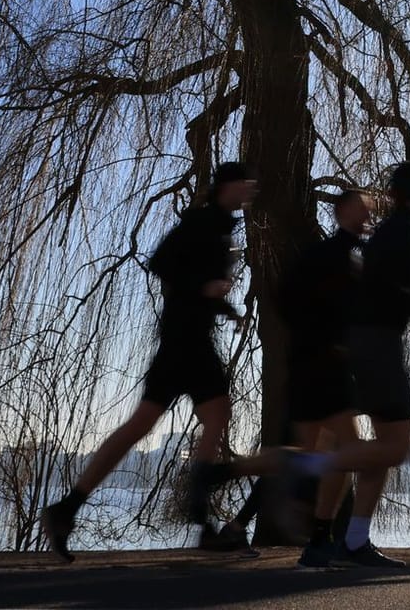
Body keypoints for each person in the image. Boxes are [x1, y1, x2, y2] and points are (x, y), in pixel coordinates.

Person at [41, 161, 262, 560]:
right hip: (185, 341)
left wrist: (225, 307)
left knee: (153, 423)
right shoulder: (202, 222)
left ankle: (67, 508)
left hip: (187, 337)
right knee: (209, 415)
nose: (249, 192)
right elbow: (161, 263)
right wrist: (205, 287)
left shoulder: (223, 226)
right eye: (245, 185)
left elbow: (196, 282)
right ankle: (202, 519)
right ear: (228, 186)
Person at [284, 160, 410, 568]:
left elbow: (369, 283)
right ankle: (311, 466)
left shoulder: (383, 237)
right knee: (397, 445)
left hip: (368, 343)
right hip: (379, 344)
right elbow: (383, 289)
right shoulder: (401, 232)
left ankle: (347, 540)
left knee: (378, 451)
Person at [223, 184, 370, 566]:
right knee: (341, 453)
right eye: (361, 209)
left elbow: (290, 301)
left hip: (314, 365)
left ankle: (246, 510)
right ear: (342, 212)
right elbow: (297, 301)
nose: (367, 216)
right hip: (323, 367)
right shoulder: (330, 255)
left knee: (310, 455)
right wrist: (329, 342)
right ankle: (325, 536)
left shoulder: (339, 255)